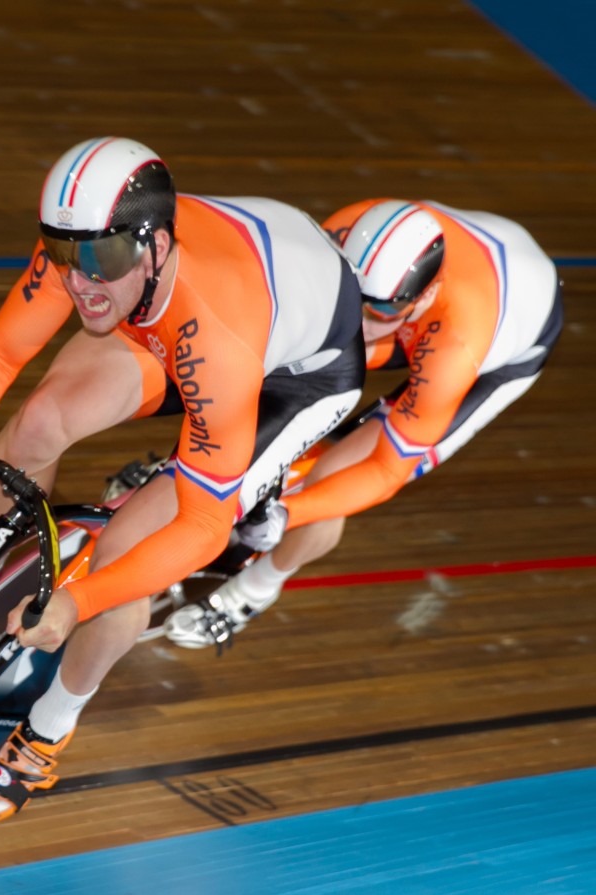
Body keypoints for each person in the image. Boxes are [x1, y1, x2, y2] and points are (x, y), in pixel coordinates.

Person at [0, 136, 366, 825]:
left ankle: (45, 735)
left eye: (100, 259)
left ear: (153, 245)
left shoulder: (214, 333)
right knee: (37, 422)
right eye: (63, 256)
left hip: (292, 375)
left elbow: (203, 526)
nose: (79, 281)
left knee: (133, 551)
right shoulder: (91, 243)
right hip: (185, 307)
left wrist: (80, 599)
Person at [164, 198, 564, 649]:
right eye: (360, 299)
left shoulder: (458, 341)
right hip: (449, 284)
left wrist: (287, 513)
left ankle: (252, 592)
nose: (364, 322)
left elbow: (387, 469)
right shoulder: (341, 233)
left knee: (336, 478)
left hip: (495, 338)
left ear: (424, 295)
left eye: (380, 311)